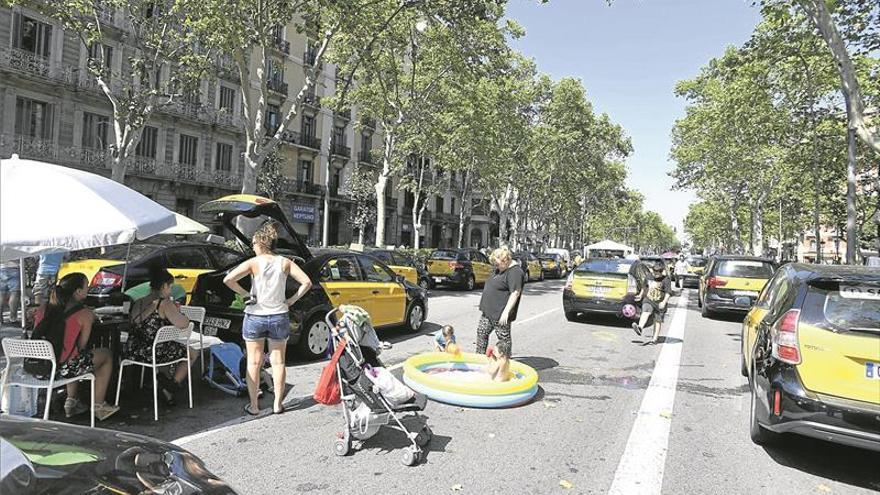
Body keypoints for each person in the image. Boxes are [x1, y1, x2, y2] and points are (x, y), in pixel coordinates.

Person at [224, 223, 312, 415]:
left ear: (259, 242)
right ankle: (278, 405)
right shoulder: (285, 262)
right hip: (279, 315)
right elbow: (306, 282)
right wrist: (291, 300)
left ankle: (254, 407)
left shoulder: (253, 263)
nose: (252, 248)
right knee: (278, 362)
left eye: (253, 244)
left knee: (253, 363)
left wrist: (246, 294)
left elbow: (228, 279)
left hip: (255, 316)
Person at [35, 273, 118, 420]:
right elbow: (81, 346)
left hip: (39, 367)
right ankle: (98, 406)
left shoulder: (44, 308)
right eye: (87, 286)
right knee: (105, 355)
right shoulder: (85, 313)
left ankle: (71, 401)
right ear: (78, 291)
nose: (89, 288)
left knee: (69, 356)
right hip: (62, 369)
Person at [126, 266, 195, 406]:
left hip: (133, 350)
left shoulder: (139, 301)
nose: (171, 290)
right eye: (171, 287)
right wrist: (183, 314)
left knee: (167, 348)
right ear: (164, 286)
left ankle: (164, 382)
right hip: (154, 352)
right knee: (192, 353)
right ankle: (170, 386)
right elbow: (182, 324)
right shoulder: (164, 303)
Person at [475, 247, 523, 357]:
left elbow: (515, 292)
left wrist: (506, 312)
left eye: (497, 264)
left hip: (499, 313)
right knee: (482, 332)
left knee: (503, 340)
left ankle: (504, 362)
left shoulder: (515, 272)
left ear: (505, 260)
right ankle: (479, 358)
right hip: (489, 311)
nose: (495, 266)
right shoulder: (501, 269)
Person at [632, 262, 672, 344]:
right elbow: (645, 287)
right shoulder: (649, 277)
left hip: (659, 302)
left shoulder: (666, 280)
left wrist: (664, 302)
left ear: (662, 272)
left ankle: (654, 339)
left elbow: (668, 293)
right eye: (654, 272)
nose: (656, 274)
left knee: (657, 321)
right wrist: (640, 295)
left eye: (658, 273)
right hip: (649, 299)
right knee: (646, 311)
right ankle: (640, 327)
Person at [0, 259, 21, 324]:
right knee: (15, 293)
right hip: (14, 267)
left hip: (2, 268)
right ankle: (13, 318)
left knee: (1, 294)